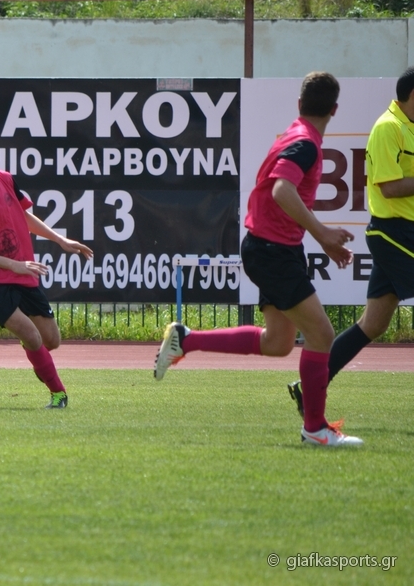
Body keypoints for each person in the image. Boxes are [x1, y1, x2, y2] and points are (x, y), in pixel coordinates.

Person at [154, 72, 363, 447]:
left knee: (278, 342)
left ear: (299, 104)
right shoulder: (305, 143)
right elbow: (282, 190)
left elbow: (278, 190)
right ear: (334, 109)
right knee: (322, 335)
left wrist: (315, 237)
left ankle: (186, 339)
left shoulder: (293, 134)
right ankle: (315, 429)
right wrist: (322, 234)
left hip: (271, 248)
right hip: (272, 251)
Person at [288, 67, 414, 417]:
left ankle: (309, 385)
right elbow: (389, 187)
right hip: (393, 232)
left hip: (403, 231)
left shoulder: (408, 127)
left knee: (373, 324)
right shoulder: (388, 127)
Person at [0, 121, 93, 409]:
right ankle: (58, 394)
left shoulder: (5, 179)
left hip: (20, 271)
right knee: (31, 334)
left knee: (51, 340)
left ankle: (34, 351)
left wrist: (60, 239)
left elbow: (25, 216)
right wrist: (12, 265)